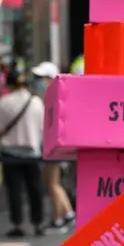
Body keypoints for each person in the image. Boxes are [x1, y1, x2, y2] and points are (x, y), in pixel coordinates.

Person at [0, 71, 46, 237]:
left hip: (10, 152)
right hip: (32, 152)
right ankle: (38, 222)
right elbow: (42, 126)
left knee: (14, 189)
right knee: (35, 189)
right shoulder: (36, 102)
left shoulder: (5, 102)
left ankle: (18, 224)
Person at [31, 62, 74, 231]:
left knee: (53, 183)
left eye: (43, 78)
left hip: (55, 147)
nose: (40, 82)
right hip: (51, 146)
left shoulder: (56, 98)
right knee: (52, 183)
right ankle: (58, 218)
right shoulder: (48, 97)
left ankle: (68, 213)